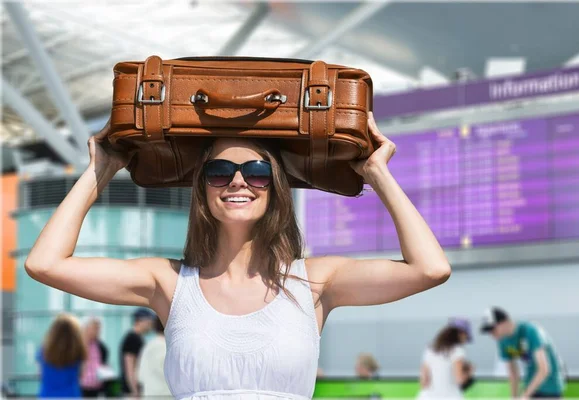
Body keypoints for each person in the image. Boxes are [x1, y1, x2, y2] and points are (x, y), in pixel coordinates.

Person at [24, 112, 451, 399]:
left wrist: (378, 173)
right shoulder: (170, 284)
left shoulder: (315, 282)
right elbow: (45, 264)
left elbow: (430, 269)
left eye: (258, 171)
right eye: (220, 171)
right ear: (203, 187)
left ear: (276, 185)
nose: (238, 182)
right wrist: (100, 169)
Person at [481, 307, 565, 399]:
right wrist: (514, 397)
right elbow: (513, 372)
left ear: (505, 322)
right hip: (530, 387)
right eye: (488, 331)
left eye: (492, 329)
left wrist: (525, 395)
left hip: (550, 388)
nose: (491, 334)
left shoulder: (531, 331)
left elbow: (544, 369)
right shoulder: (502, 341)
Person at [418, 318, 473, 399]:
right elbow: (459, 380)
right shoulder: (457, 350)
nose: (465, 341)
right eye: (466, 337)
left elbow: (423, 382)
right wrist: (469, 372)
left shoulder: (430, 349)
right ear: (461, 333)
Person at [36, 313, 87, 398]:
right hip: (71, 395)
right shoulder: (78, 351)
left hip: (47, 396)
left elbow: (40, 374)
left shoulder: (43, 351)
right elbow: (81, 374)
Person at [119, 308, 154, 397]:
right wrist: (134, 391)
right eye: (149, 322)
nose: (151, 325)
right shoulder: (132, 338)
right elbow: (129, 366)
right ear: (140, 321)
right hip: (132, 392)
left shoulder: (137, 338)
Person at [138, 316, 170, 397]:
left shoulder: (148, 346)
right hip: (165, 395)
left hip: (149, 394)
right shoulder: (167, 347)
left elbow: (139, 375)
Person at [80, 316, 109, 397]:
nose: (98, 331)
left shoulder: (101, 346)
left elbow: (103, 364)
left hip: (96, 388)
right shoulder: (77, 345)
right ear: (86, 328)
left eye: (99, 329)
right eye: (95, 328)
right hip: (81, 387)